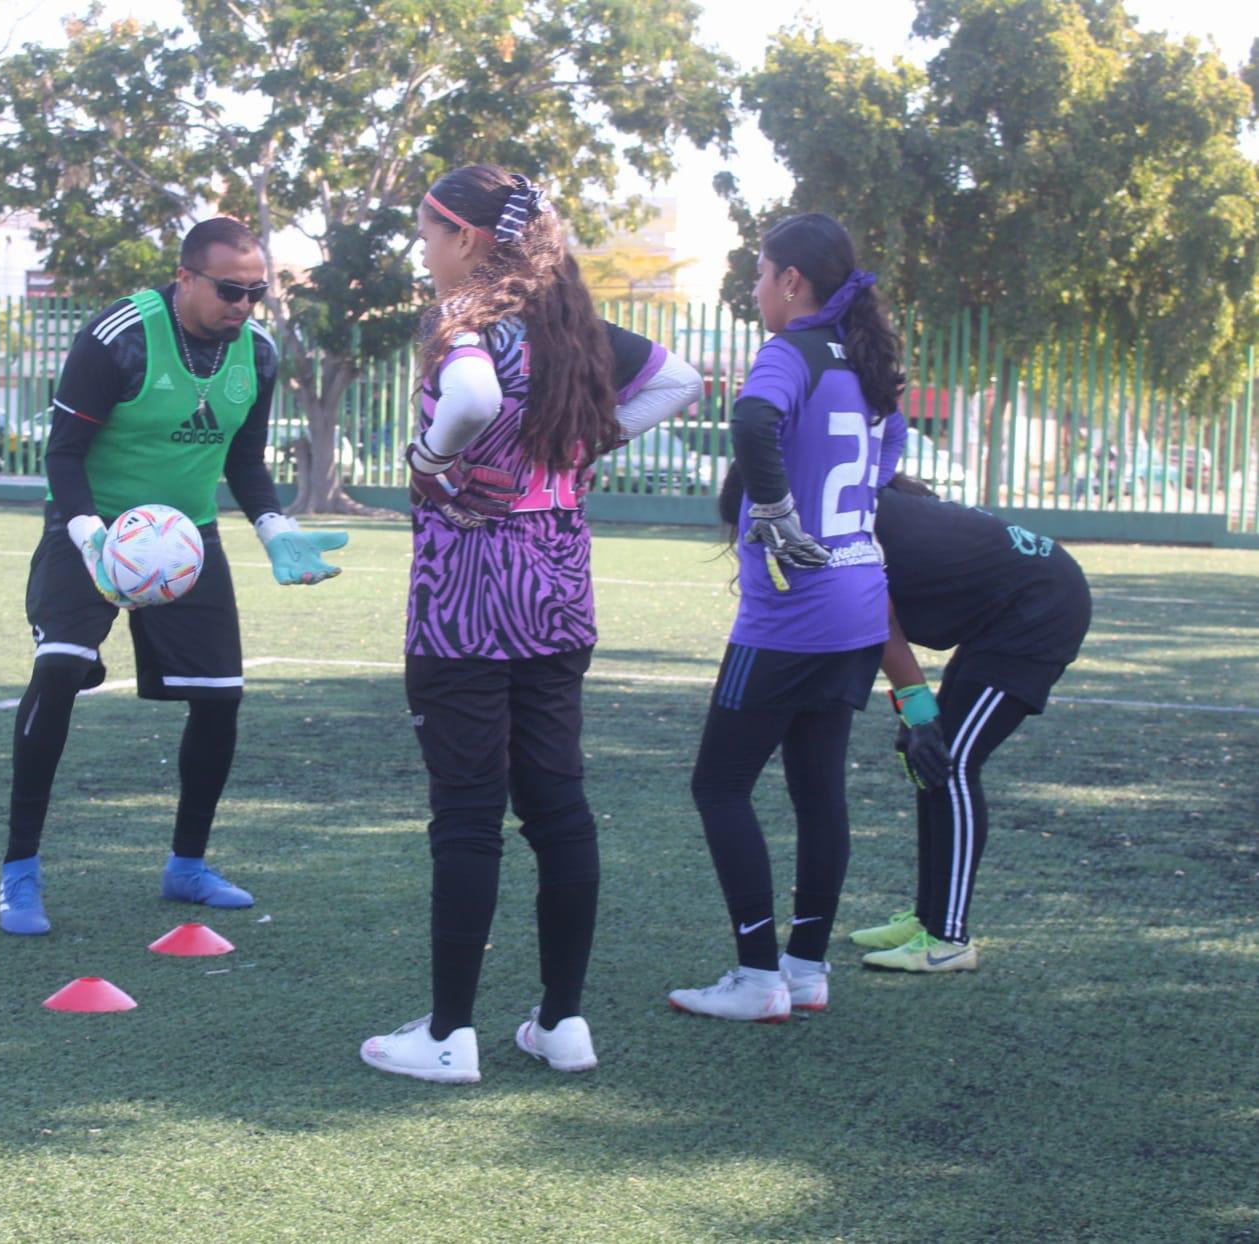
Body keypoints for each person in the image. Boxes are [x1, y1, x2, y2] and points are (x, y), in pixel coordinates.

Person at [359, 164, 703, 1082]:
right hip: (557, 592)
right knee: (558, 809)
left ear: (465, 237)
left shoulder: (460, 320)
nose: (422, 248)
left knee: (467, 816)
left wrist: (429, 457)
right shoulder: (568, 327)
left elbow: (469, 399)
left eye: (427, 230)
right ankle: (561, 1023)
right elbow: (680, 381)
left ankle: (448, 1036)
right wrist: (583, 445)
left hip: (467, 601)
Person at [0, 216, 348, 935]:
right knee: (58, 670)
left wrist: (273, 526)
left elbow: (243, 459)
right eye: (229, 290)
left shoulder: (258, 352)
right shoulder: (117, 335)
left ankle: (186, 866)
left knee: (220, 699)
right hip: (93, 528)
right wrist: (89, 535)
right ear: (186, 277)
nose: (243, 305)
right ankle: (19, 874)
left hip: (186, 540)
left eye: (256, 292)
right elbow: (64, 453)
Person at [667, 212, 906, 1023]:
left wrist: (770, 505)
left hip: (790, 613)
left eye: (761, 273)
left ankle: (755, 975)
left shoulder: (791, 352)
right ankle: (805, 969)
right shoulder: (872, 372)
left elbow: (751, 419)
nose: (756, 289)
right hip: (858, 607)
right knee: (817, 789)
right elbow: (880, 474)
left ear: (792, 282)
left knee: (718, 785)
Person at [849, 474, 1092, 970]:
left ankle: (948, 940)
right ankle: (927, 917)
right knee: (931, 760)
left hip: (1040, 611)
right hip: (1003, 614)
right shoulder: (850, 502)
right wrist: (915, 719)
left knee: (954, 761)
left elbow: (879, 623)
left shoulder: (844, 518)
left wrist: (917, 714)